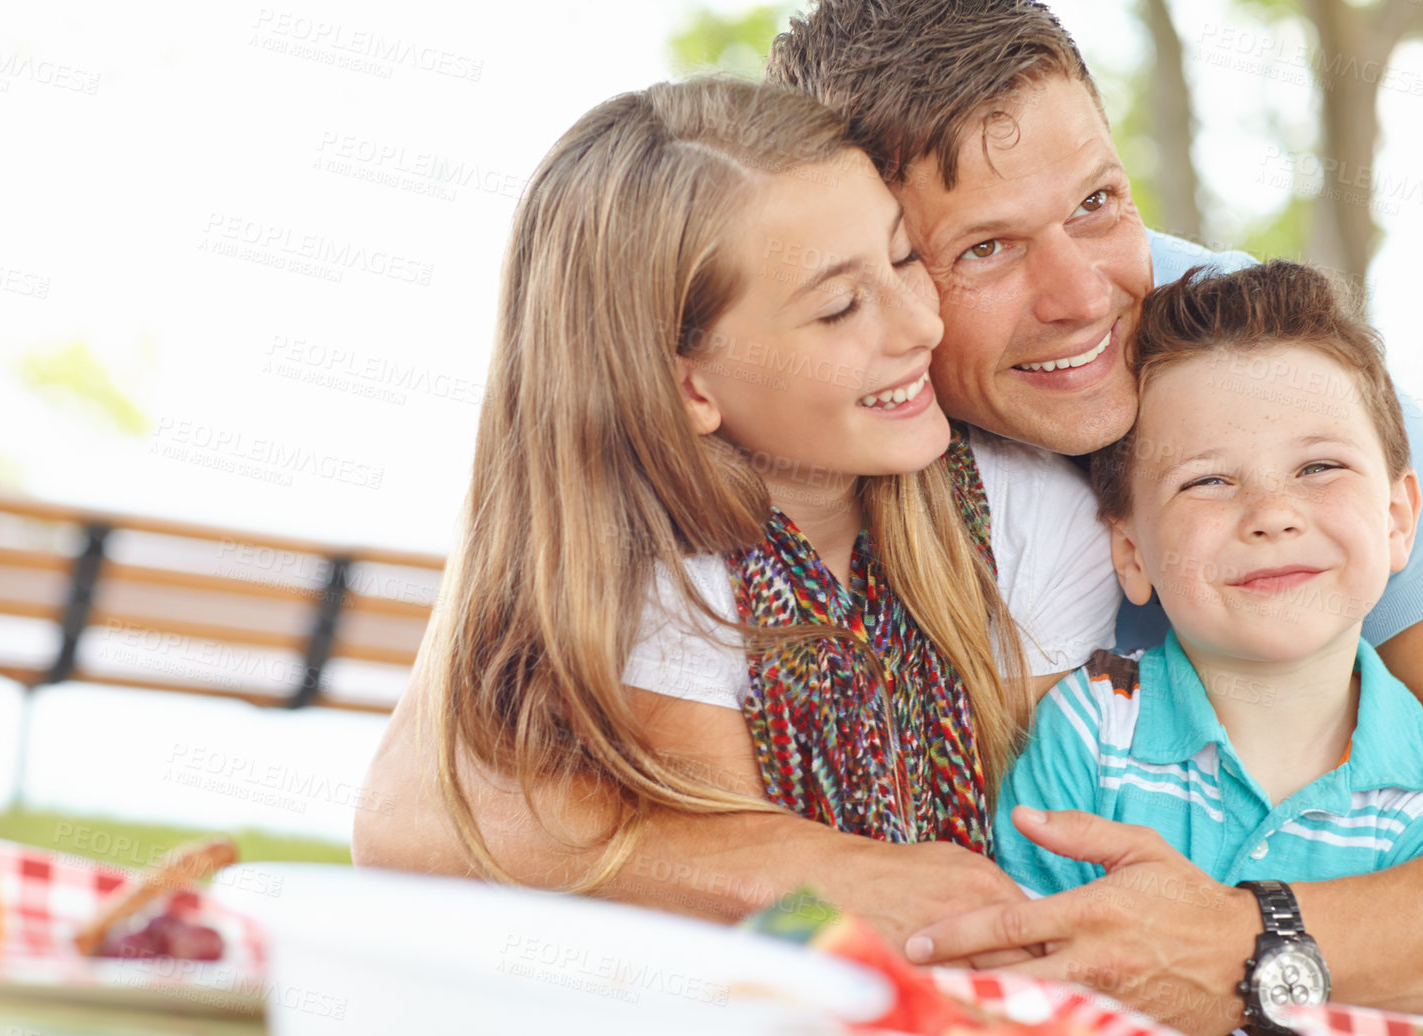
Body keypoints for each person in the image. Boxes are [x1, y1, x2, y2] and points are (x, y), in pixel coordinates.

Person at [360, 1, 1423, 1036]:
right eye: (982, 248)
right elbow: (423, 807)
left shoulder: (1274, 396)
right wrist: (807, 869)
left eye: (1099, 201)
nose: (1080, 298)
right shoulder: (772, 404)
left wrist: (1261, 947)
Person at [393, 73, 1119, 911]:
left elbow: (1041, 858)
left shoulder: (1028, 515)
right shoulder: (662, 589)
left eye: (902, 258)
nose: (921, 325)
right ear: (689, 386)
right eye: (841, 307)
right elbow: (757, 923)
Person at [995, 261, 1423, 910]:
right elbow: (1023, 973)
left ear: (1398, 519)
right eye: (1207, 480)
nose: (1271, 515)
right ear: (1131, 554)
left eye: (1319, 467)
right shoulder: (1091, 734)